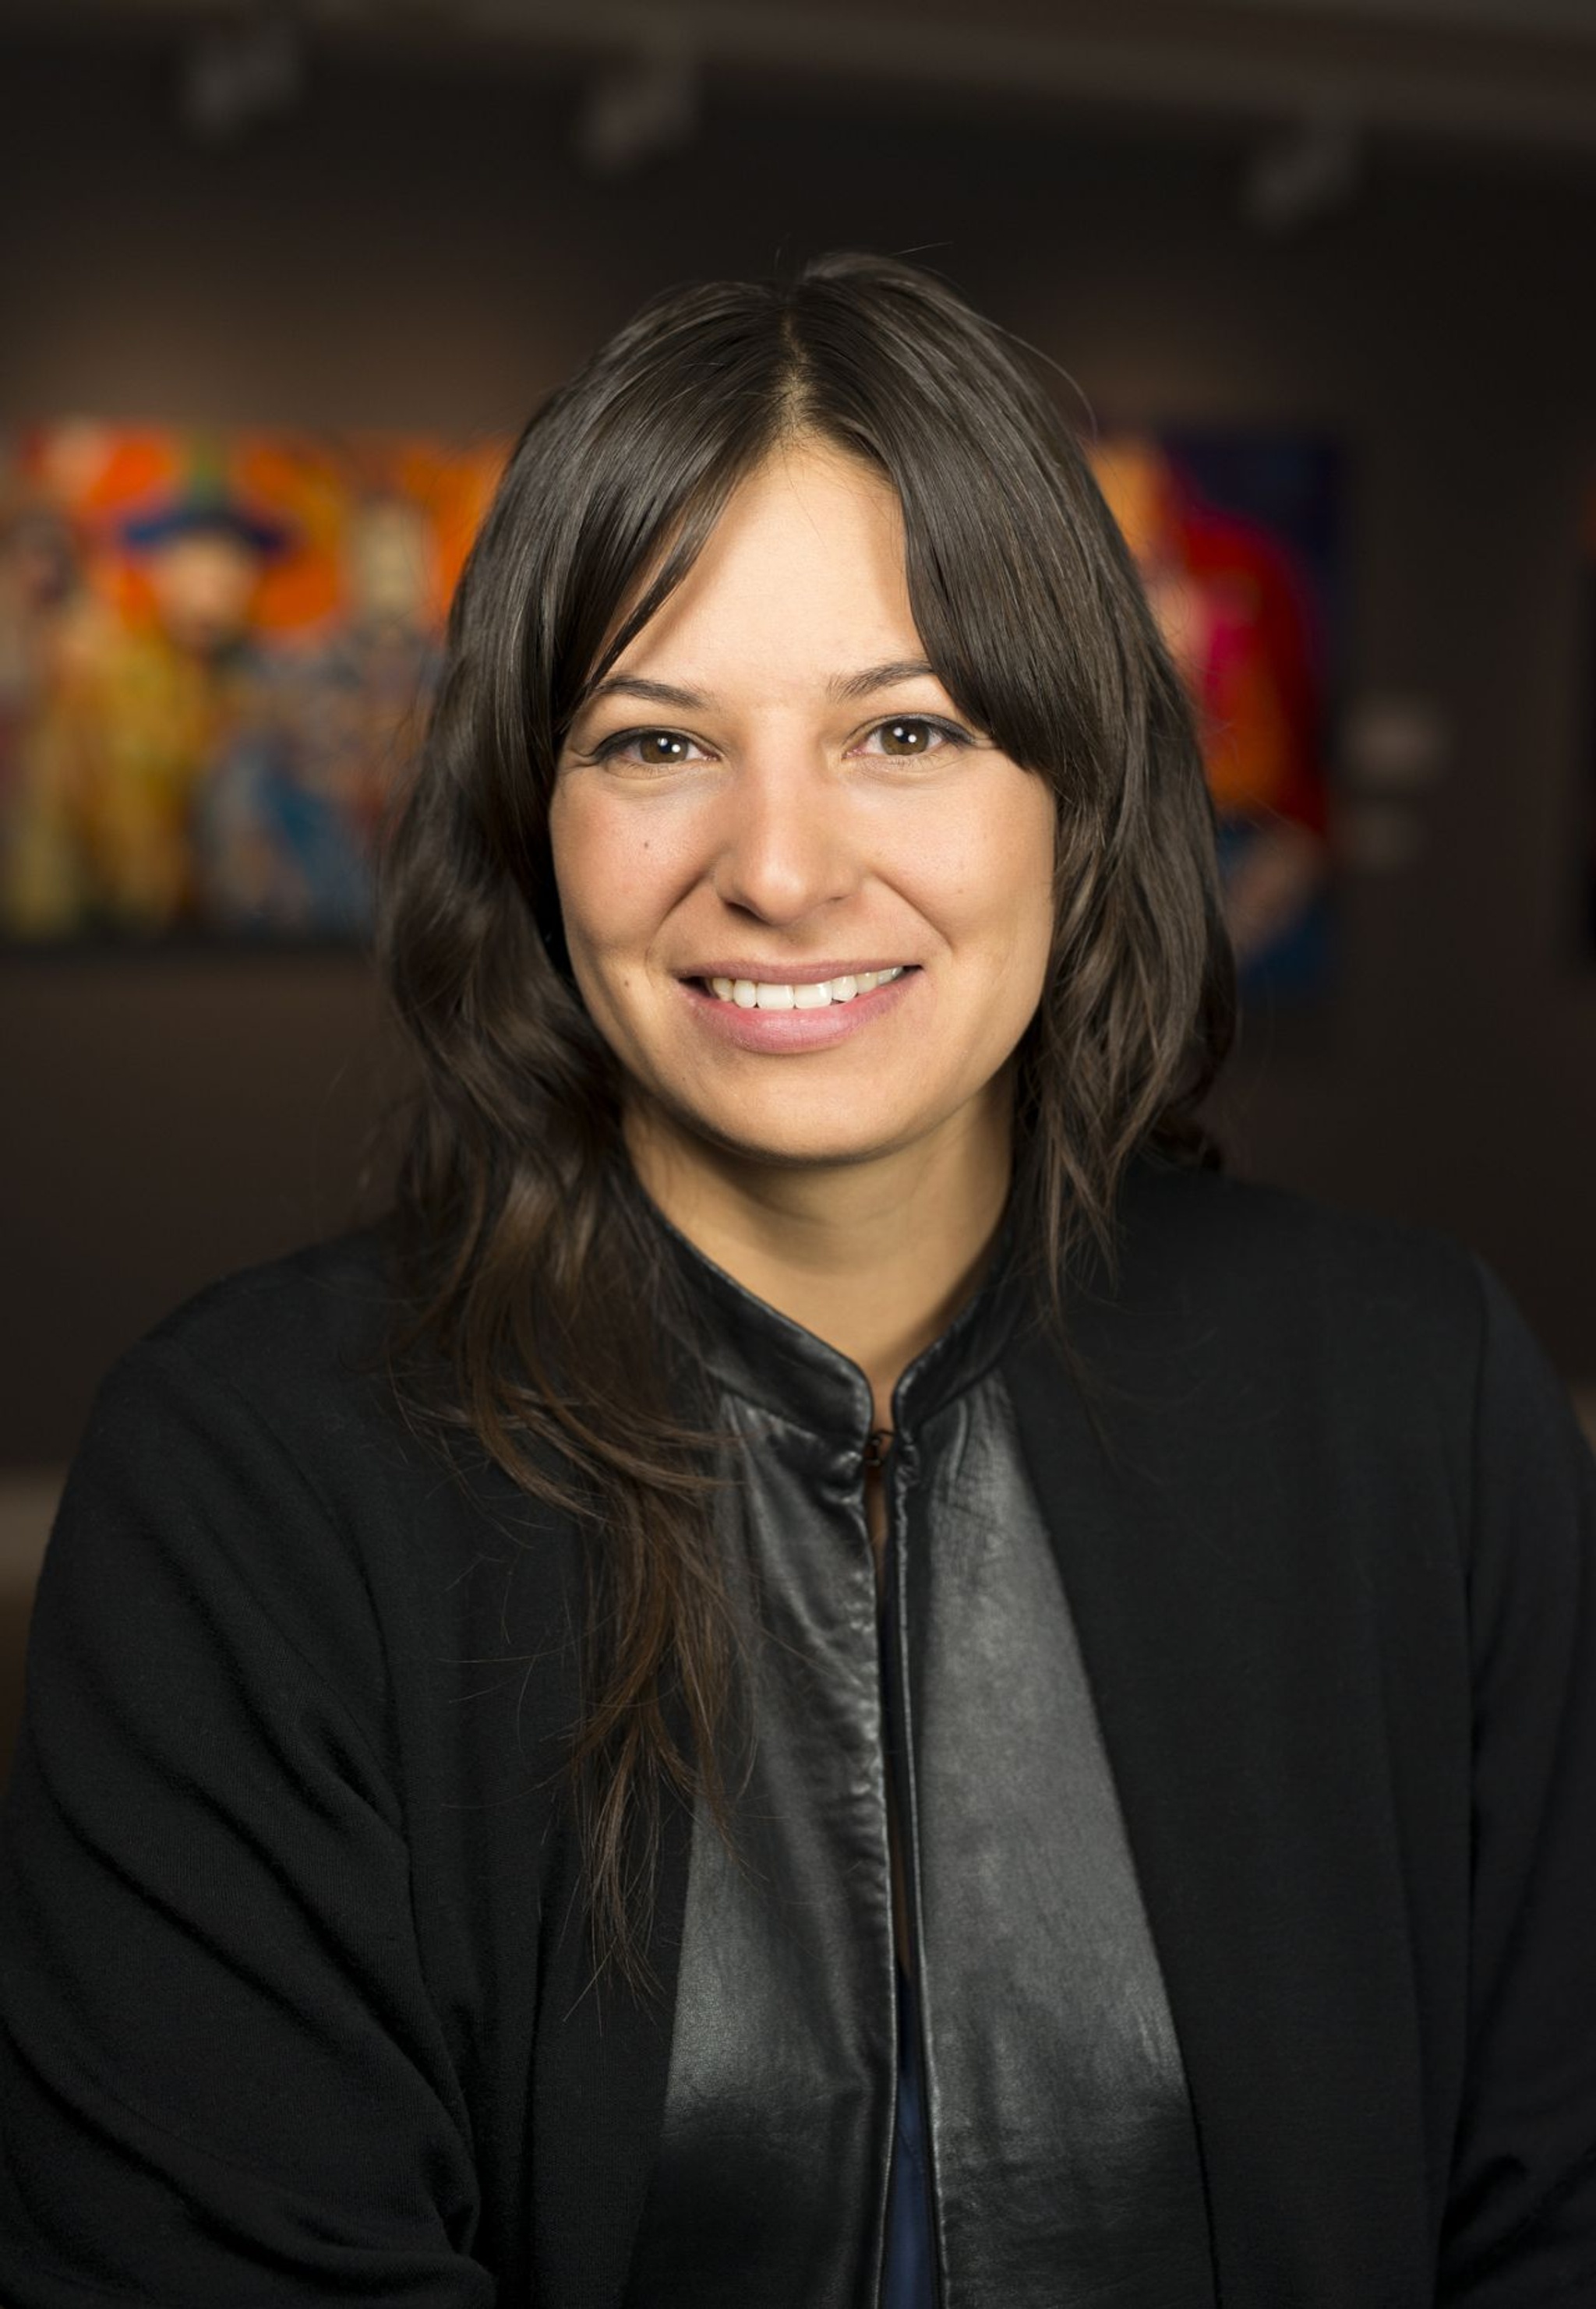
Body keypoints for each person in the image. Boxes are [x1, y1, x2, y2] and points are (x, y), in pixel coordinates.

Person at [2, 252, 1593, 2307]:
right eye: (657, 746)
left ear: (1076, 794)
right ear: (529, 819)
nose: (778, 864)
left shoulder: (1413, 1405)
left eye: (906, 730)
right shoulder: (252, 1484)